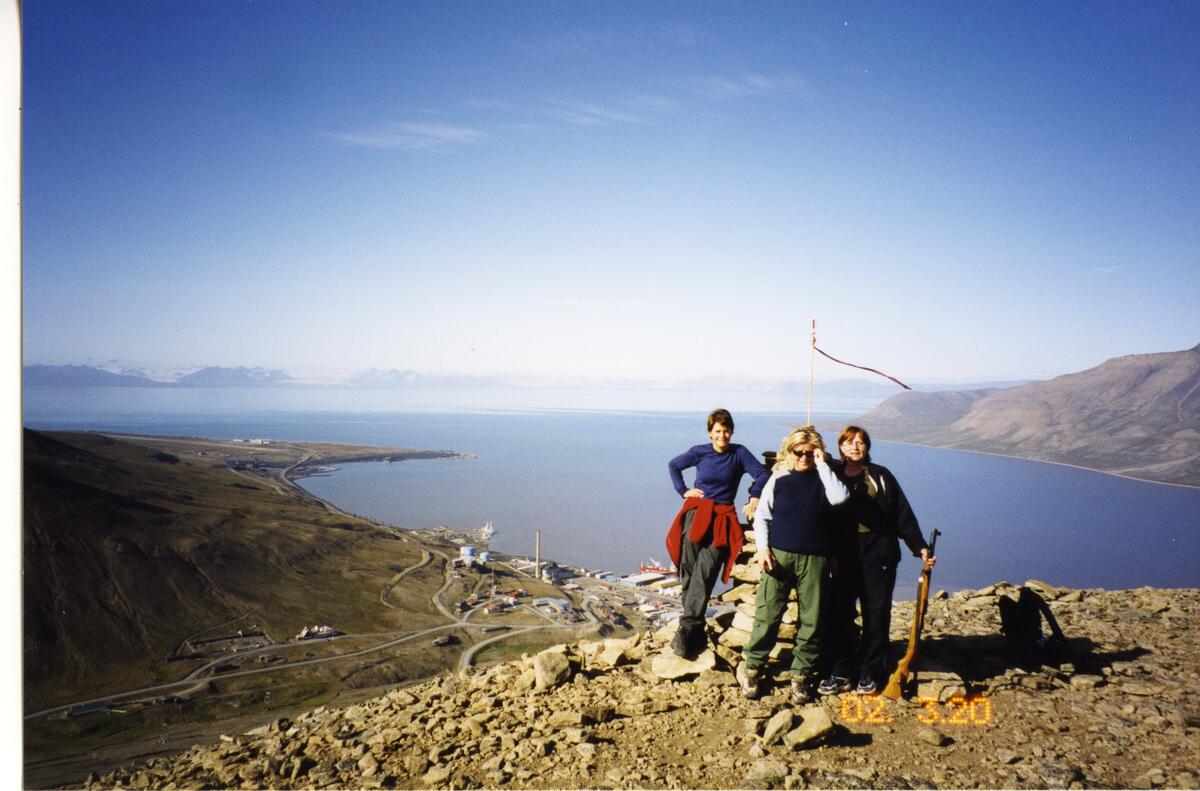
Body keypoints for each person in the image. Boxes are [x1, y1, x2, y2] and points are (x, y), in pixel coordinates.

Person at [818, 425, 937, 697]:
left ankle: (871, 670)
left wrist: (919, 547)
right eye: (848, 443)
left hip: (878, 551)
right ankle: (842, 670)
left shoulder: (881, 476)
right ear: (840, 448)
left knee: (876, 612)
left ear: (867, 447)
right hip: (844, 553)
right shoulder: (831, 473)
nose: (855, 447)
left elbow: (902, 514)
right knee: (840, 613)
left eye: (860, 442)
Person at [737, 426, 849, 701]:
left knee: (811, 620)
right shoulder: (779, 480)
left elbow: (840, 498)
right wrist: (763, 549)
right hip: (779, 556)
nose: (804, 457)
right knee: (768, 614)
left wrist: (822, 465)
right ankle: (753, 669)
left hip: (815, 559)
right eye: (799, 452)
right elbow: (762, 516)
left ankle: (801, 676)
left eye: (811, 453)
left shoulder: (826, 479)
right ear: (790, 452)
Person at [666, 408, 770, 660]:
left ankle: (687, 628)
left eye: (726, 431)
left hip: (722, 518)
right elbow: (674, 465)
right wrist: (683, 490)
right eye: (717, 432)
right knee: (689, 570)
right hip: (696, 513)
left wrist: (755, 492)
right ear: (709, 433)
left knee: (706, 570)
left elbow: (762, 473)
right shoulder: (700, 451)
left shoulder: (739, 453)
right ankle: (695, 630)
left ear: (731, 431)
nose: (722, 436)